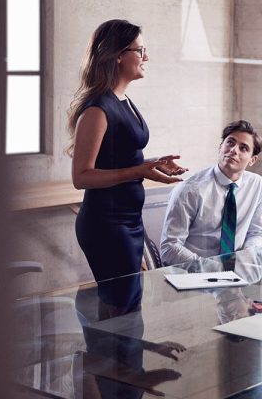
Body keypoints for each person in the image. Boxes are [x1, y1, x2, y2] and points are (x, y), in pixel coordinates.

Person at [70, 19, 186, 311]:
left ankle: (123, 357)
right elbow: (81, 176)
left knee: (128, 307)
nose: (146, 57)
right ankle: (110, 356)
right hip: (106, 224)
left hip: (128, 220)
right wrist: (139, 171)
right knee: (121, 308)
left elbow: (120, 158)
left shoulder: (124, 100)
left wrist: (153, 164)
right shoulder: (97, 109)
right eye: (140, 50)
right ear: (118, 55)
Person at [160, 120, 262, 265]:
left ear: (252, 160)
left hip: (237, 273)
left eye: (243, 148)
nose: (234, 150)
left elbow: (257, 233)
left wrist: (247, 257)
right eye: (230, 142)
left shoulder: (256, 184)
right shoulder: (190, 189)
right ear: (220, 147)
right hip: (193, 273)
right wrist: (209, 268)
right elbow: (169, 248)